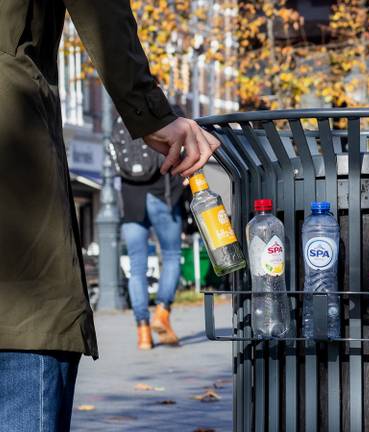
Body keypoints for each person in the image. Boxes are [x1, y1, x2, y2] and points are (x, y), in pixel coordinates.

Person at [0, 2, 219, 429]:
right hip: (15, 136)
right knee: (27, 310)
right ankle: (155, 318)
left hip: (130, 202)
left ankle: (146, 322)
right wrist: (151, 112)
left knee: (140, 262)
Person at [116, 113, 187, 350]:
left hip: (131, 200)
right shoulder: (168, 113)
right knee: (171, 256)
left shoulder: (121, 117)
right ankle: (162, 312)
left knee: (136, 266)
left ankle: (143, 333)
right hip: (163, 196)